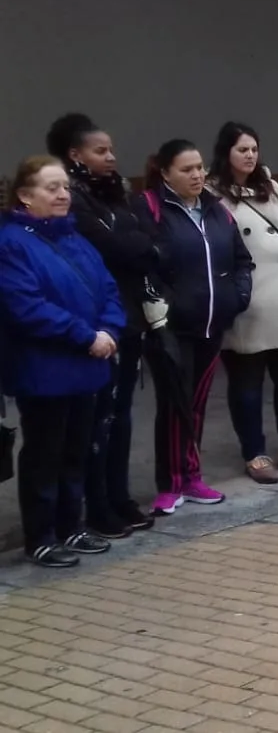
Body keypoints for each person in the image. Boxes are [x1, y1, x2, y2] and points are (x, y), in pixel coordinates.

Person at [0, 156, 125, 567]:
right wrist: (85, 336)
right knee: (44, 455)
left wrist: (109, 330)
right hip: (45, 369)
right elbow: (26, 307)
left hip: (89, 366)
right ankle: (42, 535)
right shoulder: (12, 243)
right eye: (51, 188)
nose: (62, 195)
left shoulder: (75, 238)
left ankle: (72, 525)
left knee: (78, 451)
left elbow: (108, 288)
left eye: (65, 188)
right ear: (24, 195)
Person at [45, 114, 157, 538]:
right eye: (100, 151)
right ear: (75, 155)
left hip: (125, 318)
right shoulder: (74, 198)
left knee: (122, 415)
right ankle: (95, 505)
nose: (111, 157)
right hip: (96, 327)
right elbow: (110, 247)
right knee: (98, 420)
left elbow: (146, 240)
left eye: (111, 150)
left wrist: (137, 246)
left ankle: (117, 495)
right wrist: (136, 246)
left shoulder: (116, 194)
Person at [132, 139, 254, 516]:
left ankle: (192, 475)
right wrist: (167, 307)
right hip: (172, 327)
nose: (197, 175)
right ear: (165, 172)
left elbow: (241, 261)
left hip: (211, 324)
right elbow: (145, 267)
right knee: (174, 403)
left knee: (197, 403)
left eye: (200, 167)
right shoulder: (151, 209)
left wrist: (237, 297)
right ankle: (169, 484)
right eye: (187, 169)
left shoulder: (217, 211)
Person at [209, 122, 278, 483]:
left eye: (254, 148)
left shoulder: (270, 186)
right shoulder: (214, 193)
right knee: (247, 383)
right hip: (249, 299)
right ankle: (254, 453)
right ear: (226, 152)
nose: (250, 155)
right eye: (242, 149)